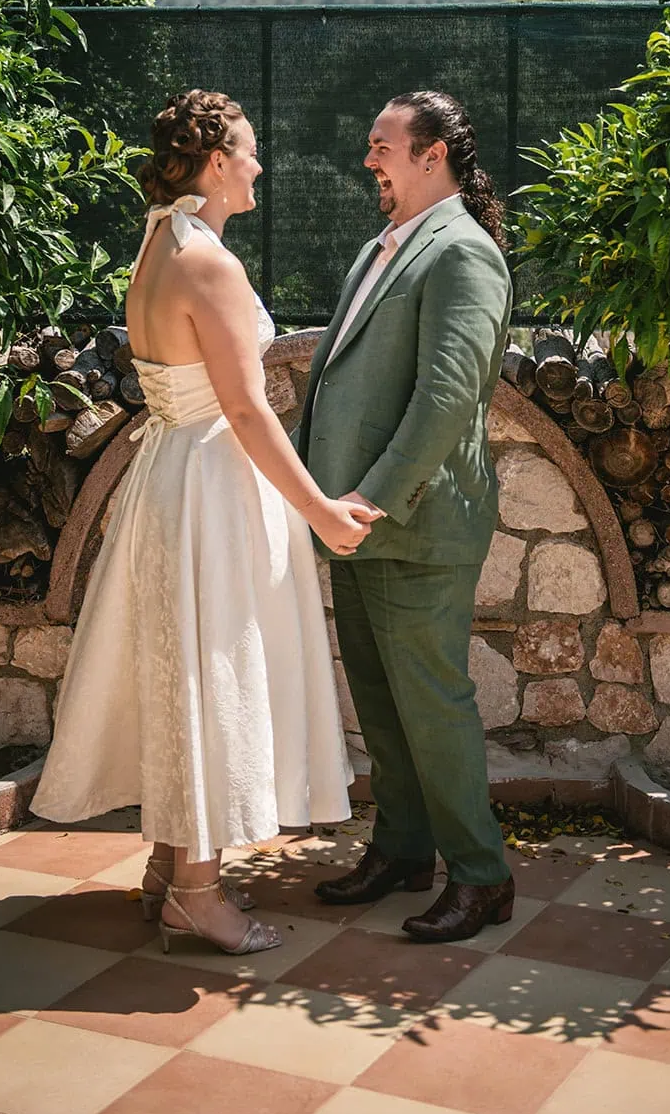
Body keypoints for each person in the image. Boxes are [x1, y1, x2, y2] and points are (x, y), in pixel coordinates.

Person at [32, 90, 369, 956]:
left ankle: (168, 867)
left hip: (170, 476)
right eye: (249, 151)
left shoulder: (159, 241)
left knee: (180, 667)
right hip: (213, 485)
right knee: (212, 675)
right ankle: (195, 892)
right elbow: (248, 411)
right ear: (216, 163)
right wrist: (321, 511)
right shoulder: (208, 262)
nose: (259, 165)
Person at [296, 91, 514, 943]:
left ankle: (482, 876)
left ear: (433, 155)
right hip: (357, 521)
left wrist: (373, 498)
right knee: (382, 704)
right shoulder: (380, 248)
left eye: (381, 145)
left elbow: (446, 399)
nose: (368, 159)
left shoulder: (463, 252)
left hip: (412, 524)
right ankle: (401, 849)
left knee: (432, 705)